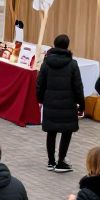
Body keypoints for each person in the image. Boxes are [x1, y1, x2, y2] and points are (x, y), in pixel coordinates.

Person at [37, 34, 85, 172]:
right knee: (66, 131)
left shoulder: (46, 63)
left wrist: (40, 99)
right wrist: (81, 104)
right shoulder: (72, 64)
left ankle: (51, 161)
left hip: (50, 102)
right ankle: (61, 161)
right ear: (67, 46)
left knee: (51, 132)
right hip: (68, 104)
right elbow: (78, 86)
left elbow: (40, 84)